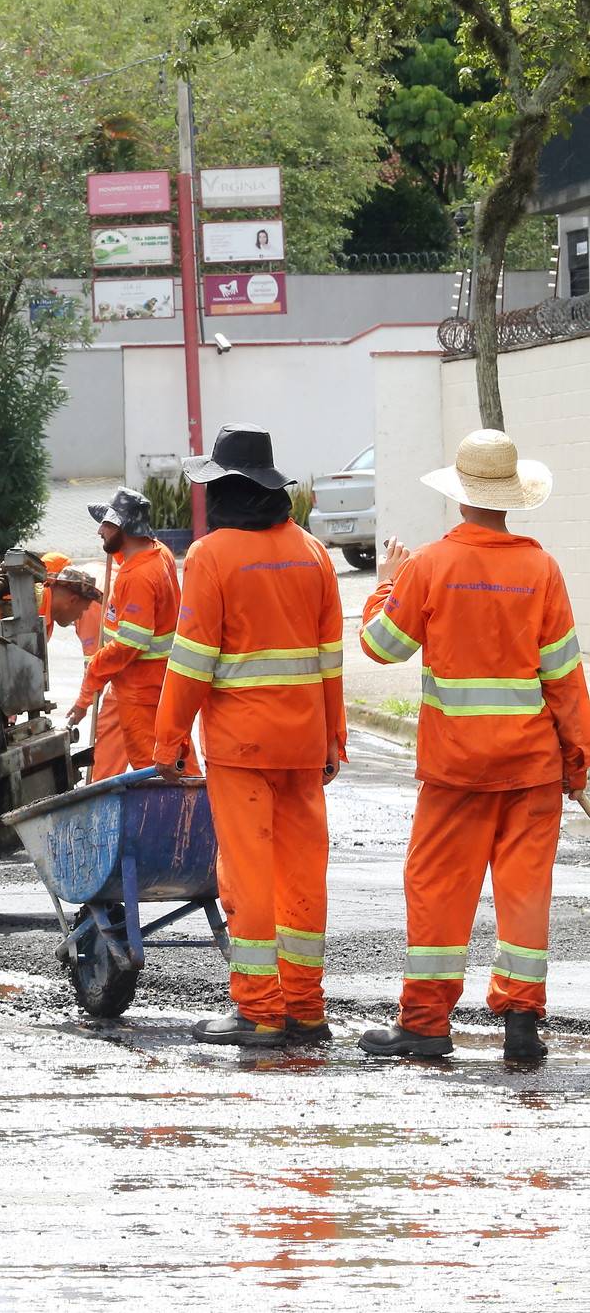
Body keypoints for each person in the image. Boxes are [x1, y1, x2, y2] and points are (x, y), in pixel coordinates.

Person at [354, 429, 589, 1062]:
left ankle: (426, 1024)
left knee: (437, 887)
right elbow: (565, 678)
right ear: (511, 499)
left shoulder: (430, 565)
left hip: (456, 768)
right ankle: (521, 1024)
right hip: (532, 765)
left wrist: (386, 583)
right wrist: (576, 762)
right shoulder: (541, 568)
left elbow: (380, 646)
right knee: (524, 892)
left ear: (460, 497)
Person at [154, 424, 345, 1049]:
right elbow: (329, 661)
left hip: (241, 747)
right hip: (304, 744)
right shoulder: (314, 554)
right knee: (301, 874)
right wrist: (333, 738)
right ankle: (306, 1006)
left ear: (225, 488)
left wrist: (168, 740)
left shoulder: (210, 557)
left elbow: (190, 665)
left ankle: (259, 1009)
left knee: (247, 875)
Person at [66, 488, 180, 779]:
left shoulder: (137, 577)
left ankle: (173, 825)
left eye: (106, 524)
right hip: (159, 686)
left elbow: (131, 643)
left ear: (123, 528)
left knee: (154, 775)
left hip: (141, 695)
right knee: (175, 765)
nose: (100, 531)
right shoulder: (159, 554)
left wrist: (94, 672)